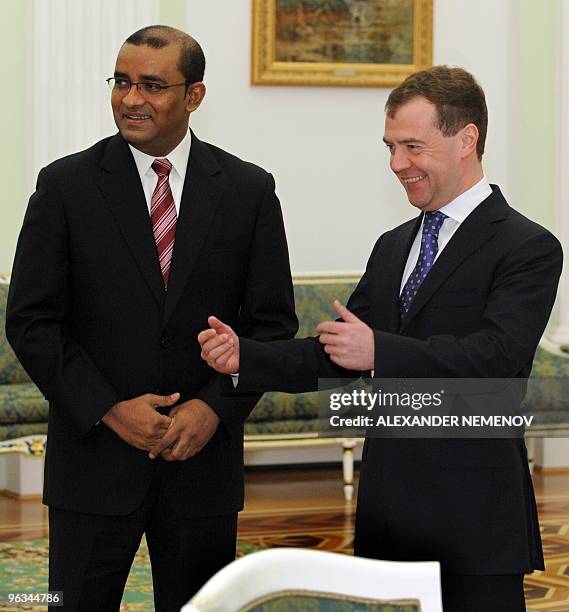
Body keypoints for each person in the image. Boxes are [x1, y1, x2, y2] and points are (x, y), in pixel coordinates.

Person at [197, 66, 563, 611]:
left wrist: (380, 351)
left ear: (467, 139)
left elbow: (497, 358)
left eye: (413, 146)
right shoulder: (393, 245)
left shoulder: (527, 246)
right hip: (389, 513)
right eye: (390, 147)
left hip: (475, 515)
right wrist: (243, 357)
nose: (397, 164)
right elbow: (338, 353)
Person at [6, 25, 297, 611]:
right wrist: (110, 409)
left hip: (202, 470)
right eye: (121, 82)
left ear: (194, 96)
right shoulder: (65, 186)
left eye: (152, 85)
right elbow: (32, 321)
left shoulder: (247, 190)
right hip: (92, 466)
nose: (130, 99)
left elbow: (270, 326)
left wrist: (213, 409)